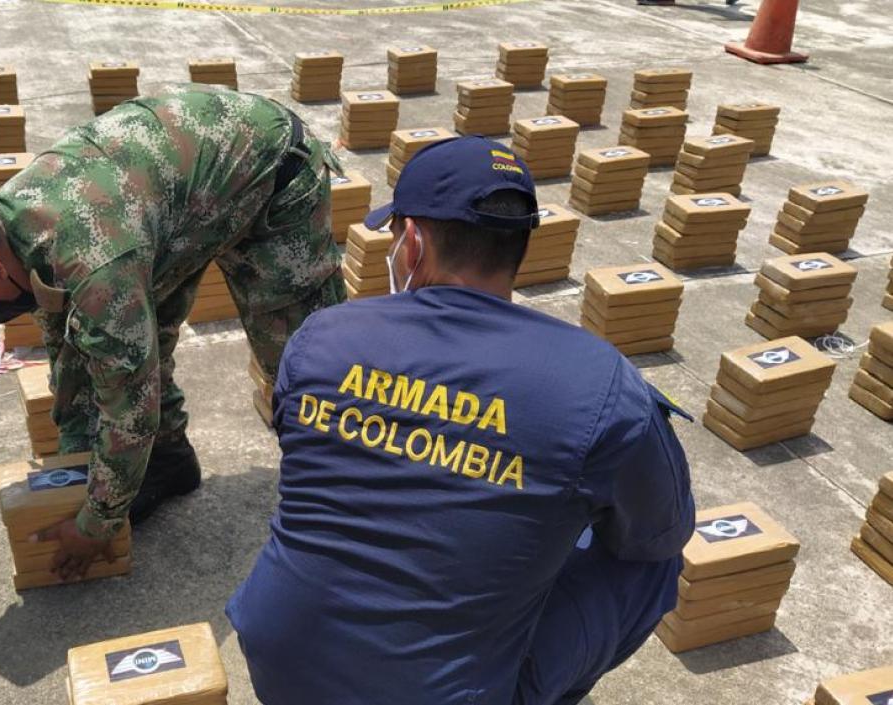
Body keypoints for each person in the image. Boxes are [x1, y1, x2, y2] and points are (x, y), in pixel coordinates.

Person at [227, 136, 696, 704]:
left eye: (396, 233)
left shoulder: (322, 337)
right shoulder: (599, 381)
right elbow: (660, 533)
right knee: (650, 565)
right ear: (520, 247)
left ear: (414, 244)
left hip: (281, 665)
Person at [0, 84, 345, 579]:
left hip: (268, 166)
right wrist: (75, 468)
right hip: (180, 201)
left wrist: (97, 524)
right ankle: (168, 463)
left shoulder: (94, 261)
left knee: (299, 357)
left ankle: (347, 492)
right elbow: (73, 357)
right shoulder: (14, 226)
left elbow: (130, 403)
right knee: (130, 334)